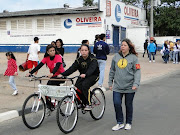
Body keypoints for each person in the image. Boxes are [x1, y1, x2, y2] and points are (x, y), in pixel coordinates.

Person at [108, 38, 141, 131]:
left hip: (130, 86)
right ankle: (120, 122)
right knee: (116, 103)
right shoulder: (116, 57)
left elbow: (137, 72)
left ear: (129, 47)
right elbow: (112, 71)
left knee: (128, 104)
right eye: (121, 45)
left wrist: (136, 83)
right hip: (117, 86)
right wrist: (110, 82)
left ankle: (128, 122)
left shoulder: (134, 58)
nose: (122, 47)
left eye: (125, 45)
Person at [58, 44, 100, 111]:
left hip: (93, 75)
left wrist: (86, 74)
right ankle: (81, 102)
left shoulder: (93, 59)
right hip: (83, 76)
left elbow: (92, 69)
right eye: (82, 50)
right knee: (76, 87)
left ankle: (88, 103)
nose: (84, 52)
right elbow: (72, 68)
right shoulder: (79, 60)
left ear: (88, 51)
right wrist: (62, 74)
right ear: (80, 51)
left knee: (85, 85)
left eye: (85, 50)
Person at [27, 45, 65, 112]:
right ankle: (49, 105)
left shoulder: (58, 57)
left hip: (61, 76)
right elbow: (39, 66)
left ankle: (56, 100)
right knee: (45, 89)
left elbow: (57, 66)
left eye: (53, 50)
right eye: (51, 51)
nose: (53, 52)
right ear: (48, 52)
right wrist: (31, 73)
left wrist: (52, 73)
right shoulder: (46, 58)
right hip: (53, 77)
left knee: (52, 87)